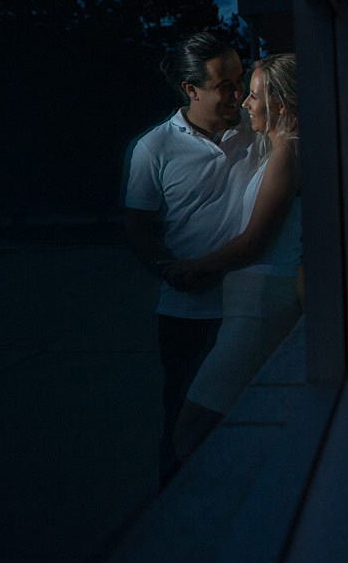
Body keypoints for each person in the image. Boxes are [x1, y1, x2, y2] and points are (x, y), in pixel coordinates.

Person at [125, 31, 260, 487]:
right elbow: (139, 231)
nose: (238, 93)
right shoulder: (155, 148)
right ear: (191, 89)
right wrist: (171, 272)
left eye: (240, 80)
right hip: (185, 312)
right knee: (181, 418)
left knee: (245, 417)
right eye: (226, 84)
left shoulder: (256, 133)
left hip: (250, 307)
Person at [158, 54, 302, 462]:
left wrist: (190, 267)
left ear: (279, 102)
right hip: (251, 308)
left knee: (190, 432)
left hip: (259, 309)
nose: (245, 104)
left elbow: (254, 242)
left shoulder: (288, 155)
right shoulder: (277, 153)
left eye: (254, 95)